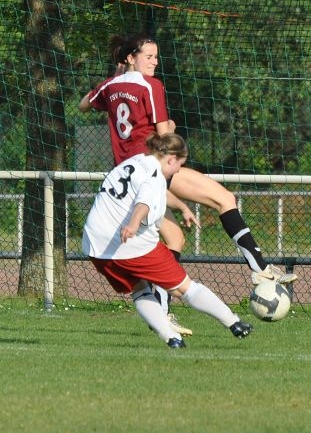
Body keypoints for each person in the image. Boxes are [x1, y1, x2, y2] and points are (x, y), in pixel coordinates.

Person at [79, 33, 297, 289]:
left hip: (127, 174)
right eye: (148, 56)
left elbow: (83, 105)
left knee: (175, 240)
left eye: (156, 57)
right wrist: (170, 126)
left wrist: (115, 79)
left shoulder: (109, 86)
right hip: (153, 167)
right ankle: (260, 269)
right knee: (225, 199)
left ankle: (159, 309)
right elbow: (165, 138)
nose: (155, 62)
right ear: (131, 58)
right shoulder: (151, 86)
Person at [82, 132, 253, 348]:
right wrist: (134, 223)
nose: (179, 170)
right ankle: (234, 322)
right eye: (179, 164)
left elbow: (154, 192)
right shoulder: (154, 176)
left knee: (139, 289)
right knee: (184, 288)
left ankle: (172, 338)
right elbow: (144, 201)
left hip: (94, 244)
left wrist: (182, 207)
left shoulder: (135, 162)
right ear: (171, 158)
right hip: (130, 244)